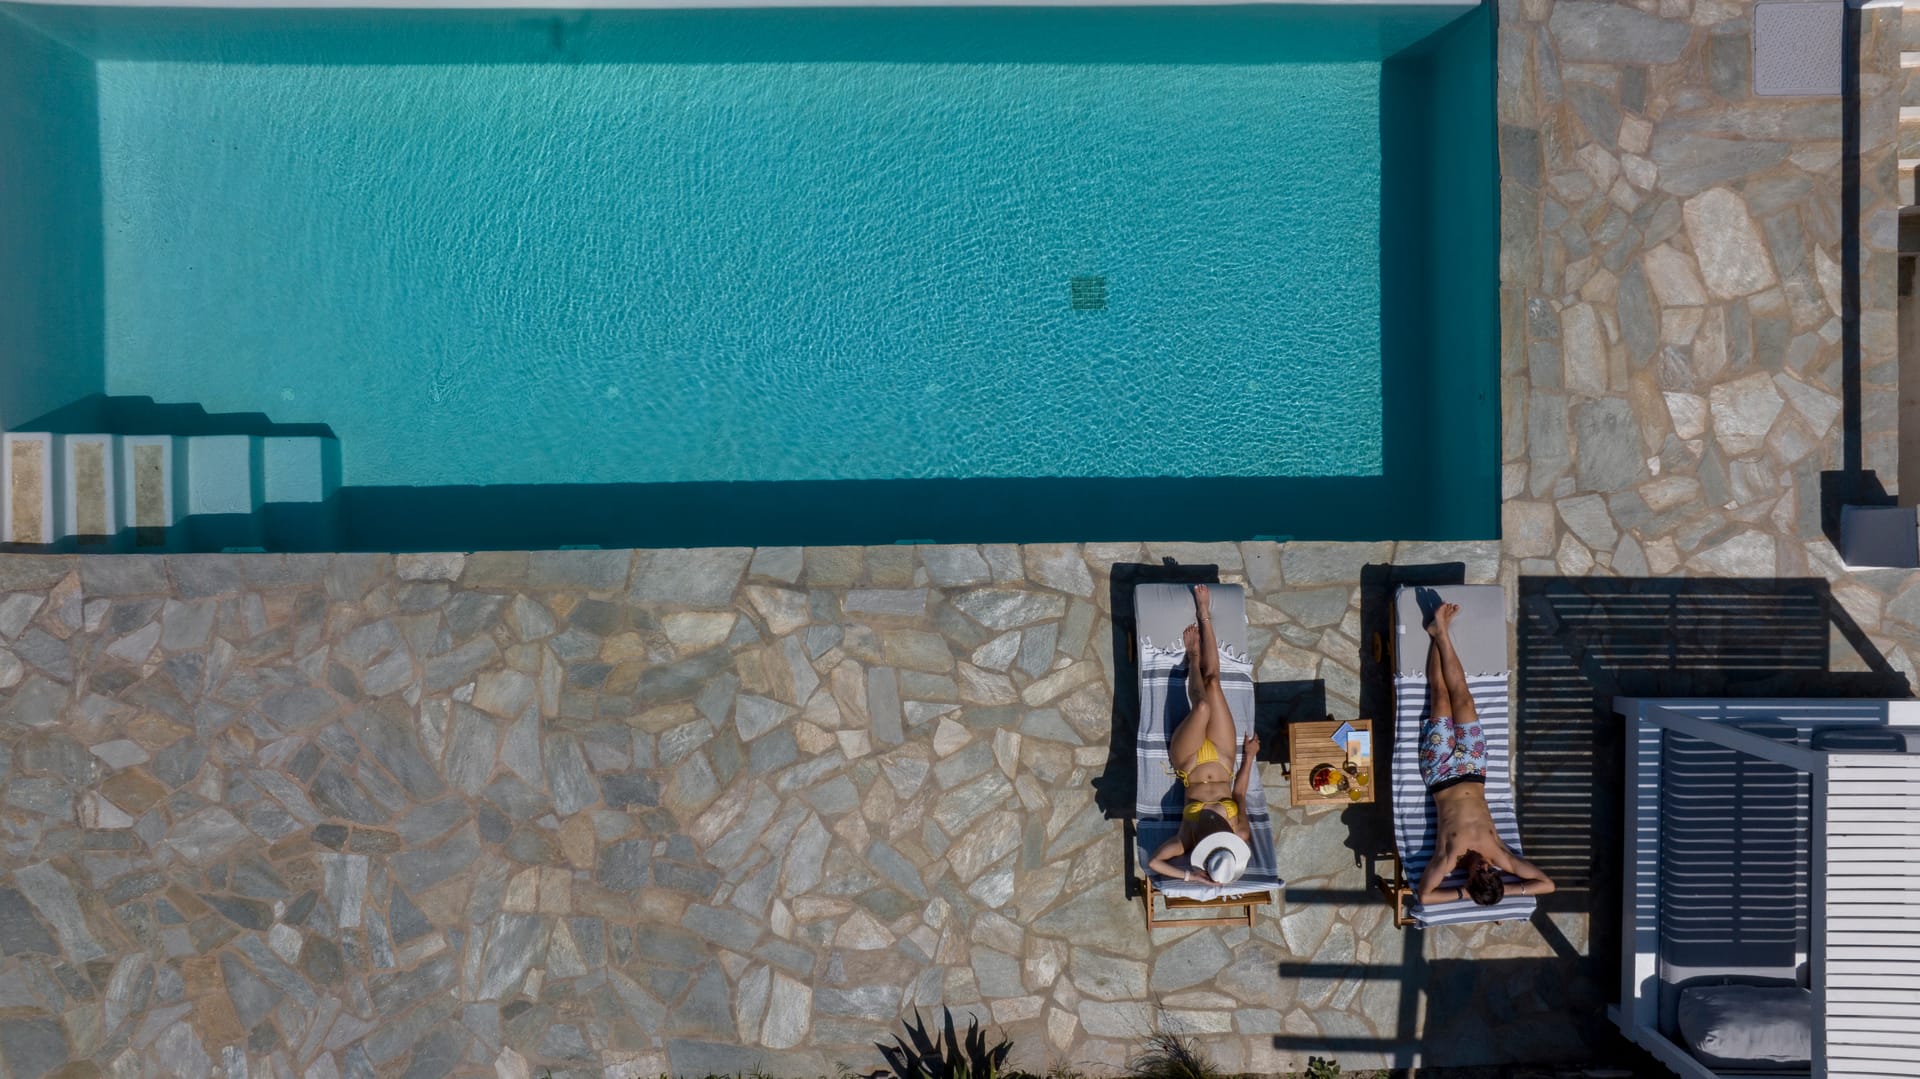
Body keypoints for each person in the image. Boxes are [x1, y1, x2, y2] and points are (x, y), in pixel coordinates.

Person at [1415, 598, 1555, 907]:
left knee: (1440, 697)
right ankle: (1441, 633)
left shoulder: (1448, 860)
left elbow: (1425, 896)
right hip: (1474, 769)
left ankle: (1438, 632)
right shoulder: (1500, 856)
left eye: (1481, 873)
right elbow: (1547, 885)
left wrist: (1463, 894)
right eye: (1491, 872)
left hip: (1440, 773)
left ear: (1468, 880)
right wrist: (1510, 890)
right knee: (1464, 699)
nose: (1485, 866)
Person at [1147, 584, 1258, 886]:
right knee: (1213, 684)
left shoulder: (1187, 840)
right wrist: (1249, 757)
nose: (1217, 836)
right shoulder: (1240, 832)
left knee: (1203, 707)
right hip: (1224, 760)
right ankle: (1204, 613)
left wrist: (1192, 876)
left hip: (1190, 762)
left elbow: (1155, 862)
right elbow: (1239, 795)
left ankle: (1193, 656)